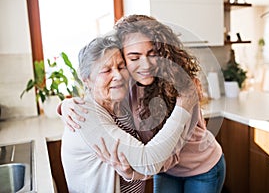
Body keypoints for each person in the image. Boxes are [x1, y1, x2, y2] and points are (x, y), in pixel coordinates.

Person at [60, 15, 225, 193]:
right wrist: (65, 106)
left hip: (201, 167)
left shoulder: (182, 88)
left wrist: (137, 173)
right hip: (165, 171)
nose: (145, 65)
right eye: (134, 57)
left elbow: (172, 152)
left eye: (152, 54)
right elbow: (97, 95)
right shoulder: (124, 88)